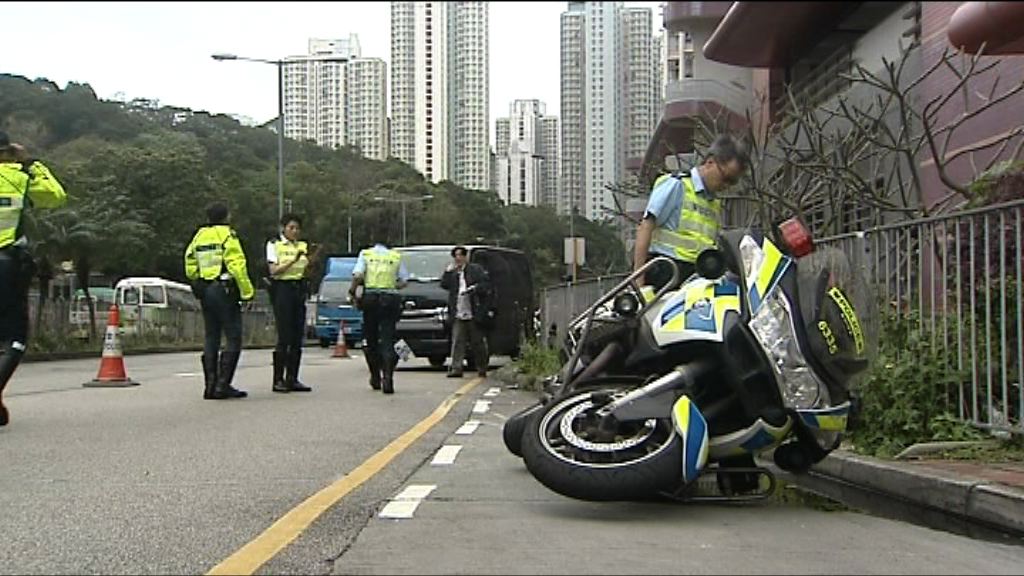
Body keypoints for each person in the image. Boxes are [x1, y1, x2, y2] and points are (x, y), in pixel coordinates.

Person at [0, 132, 67, 426]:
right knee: (16, 335)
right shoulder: (21, 178)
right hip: (8, 265)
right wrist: (31, 162)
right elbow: (56, 196)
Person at [633, 134, 750, 292]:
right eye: (726, 177)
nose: (727, 185)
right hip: (667, 274)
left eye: (733, 182)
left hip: (699, 278)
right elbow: (645, 227)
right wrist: (638, 281)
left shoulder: (714, 203)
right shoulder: (676, 186)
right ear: (710, 162)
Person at [184, 202, 255, 400]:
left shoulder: (199, 236)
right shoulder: (227, 235)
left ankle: (210, 385)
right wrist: (247, 293)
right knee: (233, 336)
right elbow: (237, 266)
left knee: (211, 336)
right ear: (226, 217)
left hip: (206, 289)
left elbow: (189, 263)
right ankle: (223, 385)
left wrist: (199, 278)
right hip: (224, 289)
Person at [266, 213, 318, 393]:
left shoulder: (302, 246)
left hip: (299, 290)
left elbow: (306, 271)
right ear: (283, 228)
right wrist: (293, 260)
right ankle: (278, 379)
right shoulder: (274, 245)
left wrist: (311, 262)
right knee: (284, 336)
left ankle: (293, 378)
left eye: (297, 228)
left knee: (297, 336)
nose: (295, 231)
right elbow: (274, 271)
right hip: (282, 290)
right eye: (291, 228)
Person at [349, 240, 408, 395]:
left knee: (370, 338)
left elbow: (358, 274)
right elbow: (404, 281)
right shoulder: (395, 256)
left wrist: (352, 291)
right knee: (388, 338)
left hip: (371, 298)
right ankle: (388, 378)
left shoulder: (366, 254)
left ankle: (375, 376)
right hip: (390, 298)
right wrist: (391, 286)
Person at [440, 246, 493, 378]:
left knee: (477, 342)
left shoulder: (475, 270)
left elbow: (486, 285)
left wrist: (474, 288)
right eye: (456, 256)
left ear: (466, 257)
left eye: (460, 255)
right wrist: (447, 272)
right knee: (457, 341)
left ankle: (482, 367)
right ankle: (456, 368)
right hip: (458, 311)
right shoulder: (453, 273)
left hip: (473, 311)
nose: (458, 258)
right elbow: (444, 285)